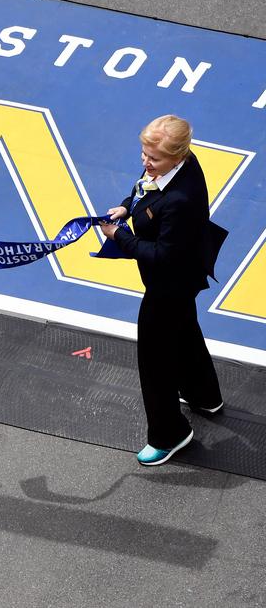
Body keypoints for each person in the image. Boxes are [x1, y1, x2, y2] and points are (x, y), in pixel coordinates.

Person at [100, 115, 227, 466]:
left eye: (153, 159)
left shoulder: (180, 201)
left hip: (168, 284)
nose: (145, 163)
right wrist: (128, 205)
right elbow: (144, 186)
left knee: (155, 362)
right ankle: (204, 395)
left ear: (178, 156)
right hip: (184, 280)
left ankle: (170, 434)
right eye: (143, 153)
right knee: (185, 331)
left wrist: (120, 236)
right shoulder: (179, 166)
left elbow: (163, 256)